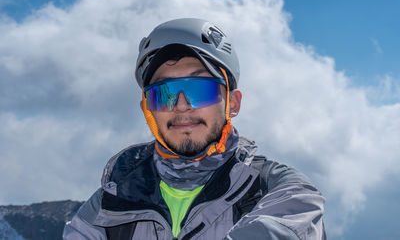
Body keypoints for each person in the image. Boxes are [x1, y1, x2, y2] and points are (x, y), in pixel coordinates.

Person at [63, 18, 326, 240]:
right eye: (164, 93)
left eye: (200, 89)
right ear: (148, 108)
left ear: (232, 104)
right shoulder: (108, 204)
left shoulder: (283, 191)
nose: (181, 106)